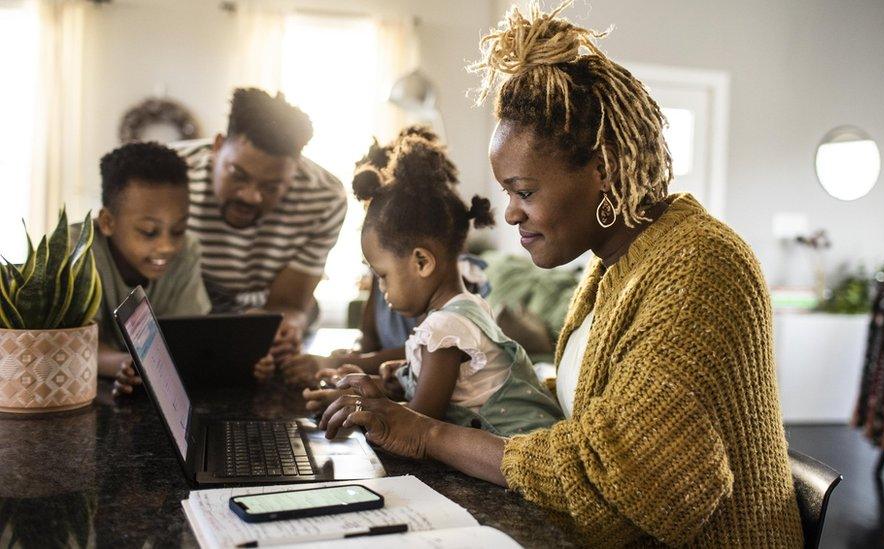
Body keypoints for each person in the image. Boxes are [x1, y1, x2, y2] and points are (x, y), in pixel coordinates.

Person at [315, 2, 804, 546]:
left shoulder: (700, 267)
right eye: (508, 193)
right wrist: (432, 384)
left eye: (524, 191)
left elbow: (637, 478)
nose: (510, 214)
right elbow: (592, 407)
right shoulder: (613, 265)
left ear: (604, 170)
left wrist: (427, 433)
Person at [304, 131, 562, 437]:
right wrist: (396, 377)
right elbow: (456, 390)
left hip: (519, 457)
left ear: (422, 262)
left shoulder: (445, 328)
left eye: (383, 276)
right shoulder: (464, 310)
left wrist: (358, 404)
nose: (381, 289)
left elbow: (418, 423)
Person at [280, 128, 491, 386]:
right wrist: (350, 362)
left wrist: (343, 365)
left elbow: (431, 358)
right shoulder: (388, 270)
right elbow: (370, 340)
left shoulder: (452, 289)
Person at [81, 142, 275, 397]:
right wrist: (126, 364)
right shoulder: (78, 253)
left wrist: (245, 360)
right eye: (149, 232)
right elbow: (73, 345)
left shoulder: (188, 251)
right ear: (107, 222)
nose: (167, 247)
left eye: (179, 230)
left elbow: (189, 343)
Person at [174, 88, 347, 367]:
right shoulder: (171, 175)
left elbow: (290, 303)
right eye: (238, 175)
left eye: (271, 187)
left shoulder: (325, 196)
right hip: (184, 308)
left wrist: (282, 329)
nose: (251, 196)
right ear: (218, 146)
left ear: (295, 170)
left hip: (264, 311)